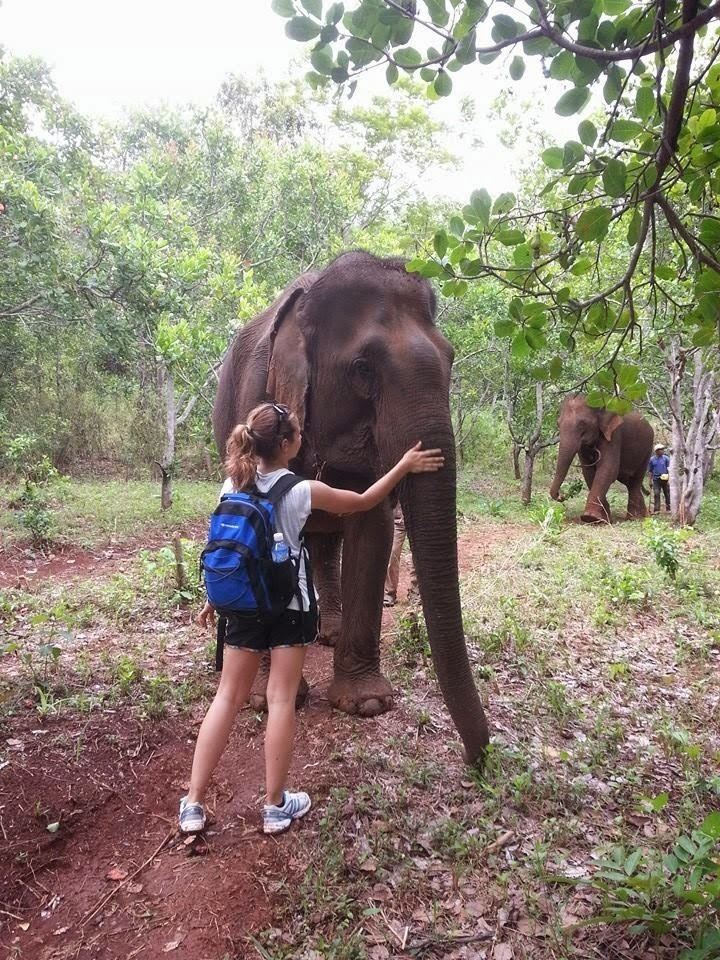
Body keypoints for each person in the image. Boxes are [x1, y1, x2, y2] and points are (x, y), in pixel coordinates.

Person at [179, 401, 444, 836]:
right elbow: (363, 501)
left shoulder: (231, 482)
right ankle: (274, 806)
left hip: (242, 607)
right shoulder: (300, 490)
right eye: (298, 435)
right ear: (285, 445)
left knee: (226, 698)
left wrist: (215, 598)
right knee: (281, 700)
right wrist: (404, 465)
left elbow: (223, 544)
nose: (302, 440)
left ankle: (192, 803)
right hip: (289, 608)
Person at [383, 505, 418, 607]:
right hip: (397, 520)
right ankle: (389, 593)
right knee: (391, 554)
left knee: (417, 556)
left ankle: (416, 593)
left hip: (417, 519)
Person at [648, 443, 671, 514]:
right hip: (656, 479)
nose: (662, 451)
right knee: (656, 493)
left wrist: (669, 479)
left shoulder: (666, 458)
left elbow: (669, 469)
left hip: (665, 478)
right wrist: (650, 481)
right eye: (660, 450)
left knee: (667, 493)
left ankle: (669, 508)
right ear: (657, 451)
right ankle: (656, 509)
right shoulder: (652, 459)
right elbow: (650, 471)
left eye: (662, 449)